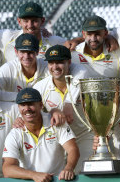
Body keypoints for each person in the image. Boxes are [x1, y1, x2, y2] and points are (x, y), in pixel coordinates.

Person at [2, 88, 80, 182]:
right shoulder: (15, 133)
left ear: (40, 105)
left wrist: (69, 168)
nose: (27, 109)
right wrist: (34, 175)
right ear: (18, 107)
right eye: (22, 105)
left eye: (31, 104)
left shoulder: (55, 121)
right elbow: (7, 169)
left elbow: (73, 149)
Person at [33, 45, 91, 174]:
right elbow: (32, 112)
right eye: (51, 63)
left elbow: (82, 72)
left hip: (83, 135)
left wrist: (69, 104)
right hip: (57, 140)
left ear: (69, 62)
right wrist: (52, 111)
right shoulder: (40, 87)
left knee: (84, 176)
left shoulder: (82, 77)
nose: (55, 67)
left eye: (60, 62)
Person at [0, 33, 49, 101]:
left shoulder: (47, 66)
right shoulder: (9, 68)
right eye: (22, 52)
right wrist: (22, 97)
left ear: (37, 51)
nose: (26, 57)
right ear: (16, 51)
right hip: (16, 109)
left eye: (30, 52)